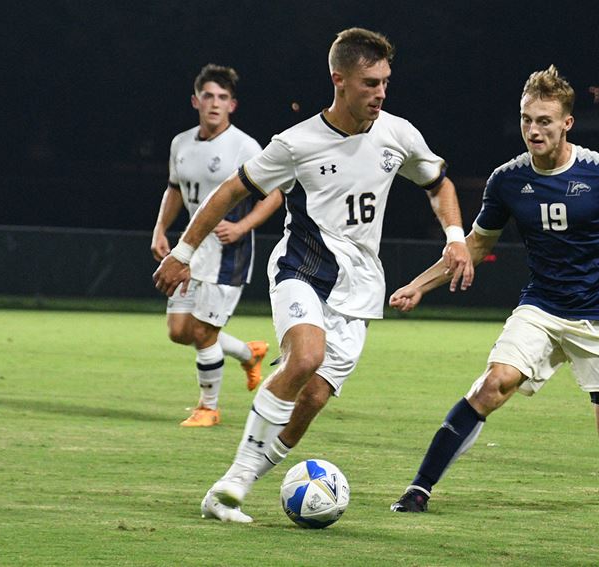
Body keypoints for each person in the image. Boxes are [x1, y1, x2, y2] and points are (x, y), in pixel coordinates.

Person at [153, 28, 472, 523]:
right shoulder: (296, 143)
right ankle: (236, 478)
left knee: (314, 398)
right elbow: (231, 192)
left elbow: (438, 183)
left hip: (360, 286)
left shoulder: (399, 133)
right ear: (338, 80)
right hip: (301, 267)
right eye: (370, 83)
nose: (381, 93)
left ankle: (228, 491)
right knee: (305, 358)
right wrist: (184, 250)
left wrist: (454, 235)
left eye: (386, 81)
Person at [388, 65, 599, 513]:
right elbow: (476, 245)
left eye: (545, 121)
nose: (533, 130)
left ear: (567, 123)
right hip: (543, 308)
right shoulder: (507, 180)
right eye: (527, 119)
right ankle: (419, 489)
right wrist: (419, 285)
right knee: (492, 385)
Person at [151, 64, 284, 428]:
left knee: (204, 332)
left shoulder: (244, 146)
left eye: (222, 98)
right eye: (208, 96)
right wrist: (161, 229)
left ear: (232, 106)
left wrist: (242, 226)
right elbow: (174, 189)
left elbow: (274, 195)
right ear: (195, 101)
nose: (214, 103)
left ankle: (208, 407)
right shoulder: (181, 143)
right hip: (190, 248)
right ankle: (248, 352)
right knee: (180, 331)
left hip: (229, 250)